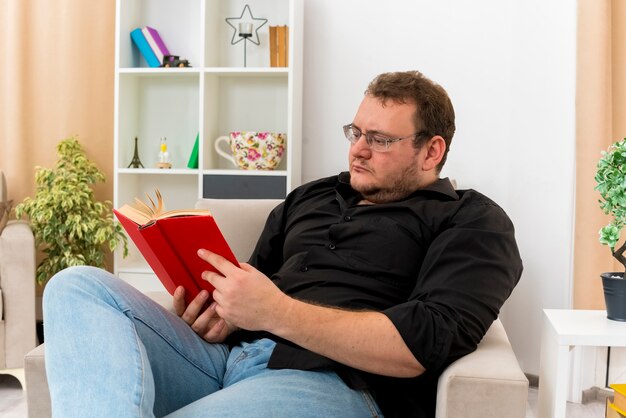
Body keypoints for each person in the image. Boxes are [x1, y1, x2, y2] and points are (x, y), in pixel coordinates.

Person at [43, 70, 523, 418]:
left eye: (378, 139)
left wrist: (275, 312)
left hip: (333, 384)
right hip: (225, 361)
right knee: (76, 285)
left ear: (431, 150)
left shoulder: (473, 220)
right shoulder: (309, 197)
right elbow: (252, 288)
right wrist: (220, 314)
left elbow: (422, 344)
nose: (357, 148)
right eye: (356, 132)